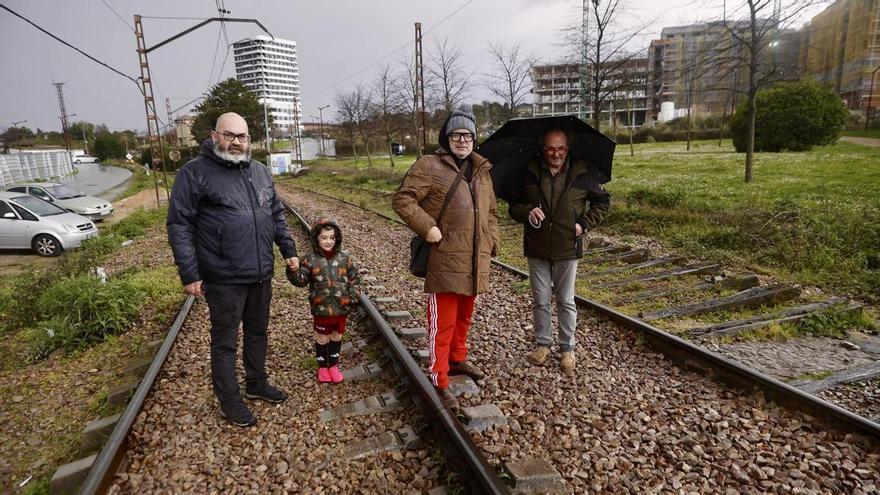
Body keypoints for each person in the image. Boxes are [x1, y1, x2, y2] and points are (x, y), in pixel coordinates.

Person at [167, 112, 299, 427]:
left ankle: (256, 383)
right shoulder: (194, 174)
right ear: (215, 137)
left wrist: (289, 251)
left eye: (241, 136)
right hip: (222, 275)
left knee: (257, 332)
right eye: (229, 135)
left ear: (248, 140)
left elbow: (276, 214)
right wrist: (190, 272)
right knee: (225, 341)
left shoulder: (260, 172)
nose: (236, 142)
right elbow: (179, 224)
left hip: (260, 272)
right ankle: (229, 401)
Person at [392, 105, 500, 410]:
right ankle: (439, 378)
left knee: (464, 317)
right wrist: (427, 227)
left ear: (475, 138)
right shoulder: (430, 165)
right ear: (447, 137)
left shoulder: (482, 171)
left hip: (475, 260)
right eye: (456, 134)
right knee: (443, 323)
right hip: (444, 260)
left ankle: (457, 360)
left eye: (467, 135)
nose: (462, 140)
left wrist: (493, 240)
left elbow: (491, 212)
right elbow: (402, 199)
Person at [508, 127, 610, 371]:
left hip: (567, 245)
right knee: (540, 300)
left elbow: (603, 201)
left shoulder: (583, 172)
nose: (556, 153)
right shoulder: (529, 172)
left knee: (565, 300)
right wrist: (527, 212)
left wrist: (584, 224)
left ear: (567, 148)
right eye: (551, 148)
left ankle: (567, 349)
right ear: (544, 149)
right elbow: (513, 206)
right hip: (537, 246)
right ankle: (543, 343)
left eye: (561, 148)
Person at [286, 217, 361, 384]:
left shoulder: (345, 258)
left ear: (337, 238)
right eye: (324, 237)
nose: (328, 241)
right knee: (322, 338)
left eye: (332, 237)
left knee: (337, 336)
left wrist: (353, 297)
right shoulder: (309, 259)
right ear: (316, 239)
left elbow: (354, 278)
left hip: (342, 308)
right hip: (321, 308)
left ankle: (333, 365)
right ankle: (322, 367)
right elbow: (301, 280)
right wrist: (294, 270)